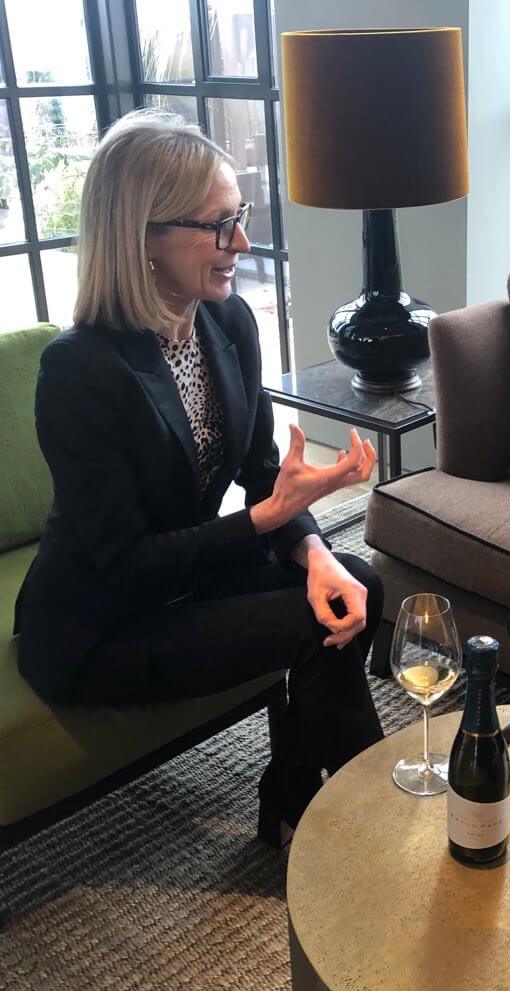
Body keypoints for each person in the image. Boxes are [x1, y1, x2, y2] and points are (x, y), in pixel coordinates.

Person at [13, 110, 383, 846]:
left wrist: (313, 549)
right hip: (100, 624)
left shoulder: (228, 322)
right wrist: (267, 521)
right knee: (313, 621)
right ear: (143, 237)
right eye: (219, 226)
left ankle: (297, 794)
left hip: (187, 580)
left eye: (239, 217)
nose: (241, 243)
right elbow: (124, 563)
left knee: (355, 580)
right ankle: (368, 827)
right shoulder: (79, 371)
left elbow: (264, 471)